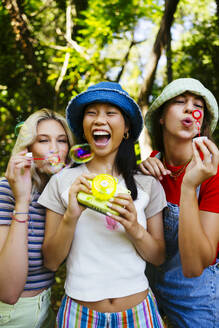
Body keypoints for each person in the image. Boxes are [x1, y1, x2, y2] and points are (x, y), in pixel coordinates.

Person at [38, 81, 167, 327]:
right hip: (79, 314)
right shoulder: (61, 182)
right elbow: (51, 261)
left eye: (110, 113)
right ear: (83, 128)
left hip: (139, 313)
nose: (99, 120)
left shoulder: (147, 185)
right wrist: (71, 216)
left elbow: (158, 257)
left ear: (127, 127)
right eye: (91, 112)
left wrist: (134, 228)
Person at [140, 78, 219, 328]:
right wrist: (137, 172)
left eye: (198, 105)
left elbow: (195, 265)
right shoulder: (152, 163)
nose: (190, 108)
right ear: (161, 116)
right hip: (147, 293)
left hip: (197, 299)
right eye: (179, 101)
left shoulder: (213, 174)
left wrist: (189, 186)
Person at [0, 108, 74, 327]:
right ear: (28, 148)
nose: (54, 149)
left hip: (46, 311)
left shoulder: (60, 194)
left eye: (62, 141)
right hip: (11, 315)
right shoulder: (5, 191)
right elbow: (8, 292)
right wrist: (22, 200)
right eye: (43, 140)